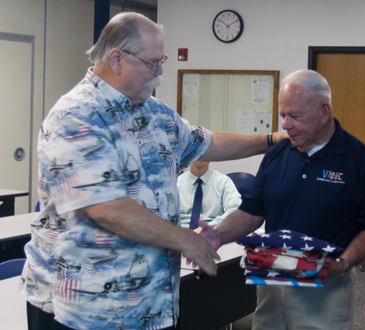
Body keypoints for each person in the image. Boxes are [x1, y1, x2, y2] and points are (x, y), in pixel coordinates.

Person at [20, 12, 286, 330]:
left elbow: (207, 143)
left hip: (148, 306)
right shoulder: (77, 117)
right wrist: (185, 240)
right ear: (117, 58)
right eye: (152, 63)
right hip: (85, 310)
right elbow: (107, 208)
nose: (160, 72)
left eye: (162, 61)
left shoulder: (152, 112)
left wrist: (272, 141)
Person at [201, 69, 365, 330]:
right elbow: (252, 212)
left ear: (324, 112)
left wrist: (344, 263)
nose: (286, 125)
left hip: (325, 284)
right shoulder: (276, 154)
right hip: (272, 280)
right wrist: (218, 235)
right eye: (283, 116)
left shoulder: (360, 160)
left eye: (295, 116)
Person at [177, 161, 241, 230]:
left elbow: (234, 210)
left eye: (204, 151)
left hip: (213, 232)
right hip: (180, 233)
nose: (201, 155)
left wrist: (206, 228)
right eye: (196, 152)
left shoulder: (224, 182)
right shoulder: (176, 183)